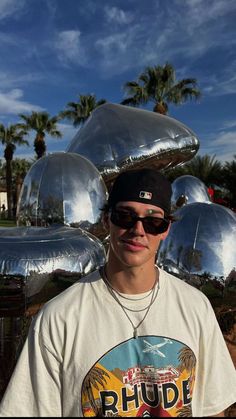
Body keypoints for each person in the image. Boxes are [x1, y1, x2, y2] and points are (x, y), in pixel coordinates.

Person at [0, 168, 235, 417]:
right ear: (106, 221)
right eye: (125, 216)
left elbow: (212, 408)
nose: (138, 230)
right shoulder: (58, 318)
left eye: (153, 221)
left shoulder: (195, 306)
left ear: (166, 229)